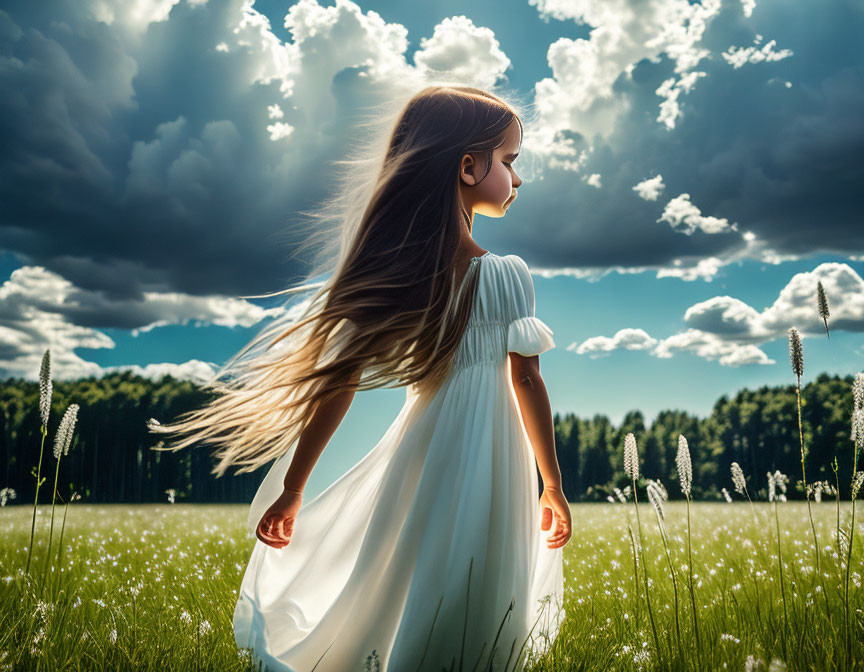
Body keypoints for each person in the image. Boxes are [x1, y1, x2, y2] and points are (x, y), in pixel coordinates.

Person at [148, 84, 571, 671]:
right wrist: (550, 482)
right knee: (481, 590)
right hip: (494, 455)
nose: (517, 178)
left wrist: (295, 487)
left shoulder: (405, 275)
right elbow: (527, 383)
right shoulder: (506, 275)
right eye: (510, 160)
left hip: (425, 452)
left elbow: (337, 386)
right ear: (469, 166)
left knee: (405, 575)